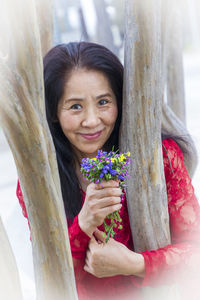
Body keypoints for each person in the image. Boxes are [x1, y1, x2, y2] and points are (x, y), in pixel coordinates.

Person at [16, 42, 200, 300]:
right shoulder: (39, 182)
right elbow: (50, 279)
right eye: (75, 106)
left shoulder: (161, 158)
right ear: (54, 112)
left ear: (121, 101)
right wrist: (83, 224)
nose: (92, 120)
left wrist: (136, 264)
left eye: (103, 102)